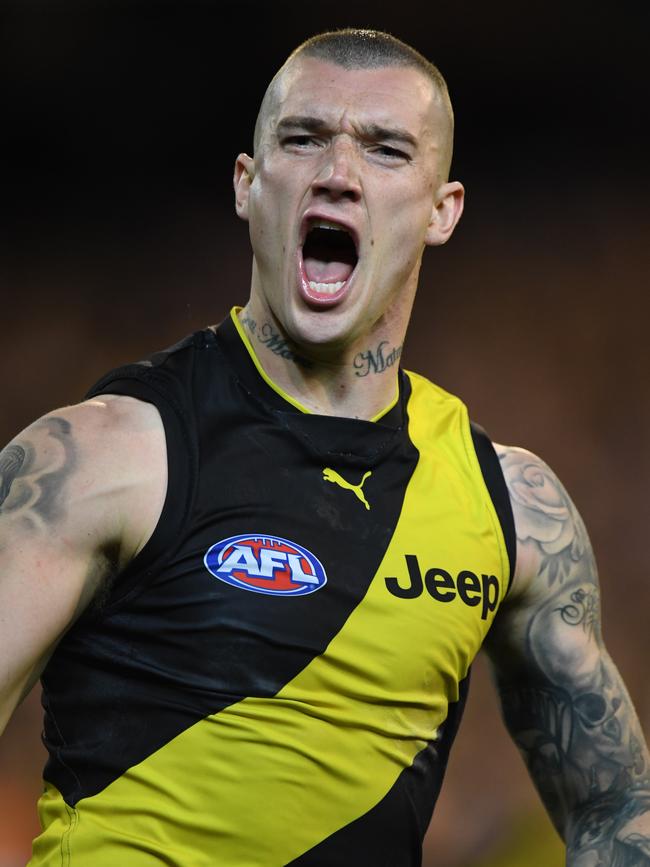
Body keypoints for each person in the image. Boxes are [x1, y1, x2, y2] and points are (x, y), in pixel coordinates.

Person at [1, 27, 649, 867]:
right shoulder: (97, 456)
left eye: (384, 150)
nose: (336, 173)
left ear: (442, 209)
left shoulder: (511, 507)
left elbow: (617, 808)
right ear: (248, 184)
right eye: (303, 139)